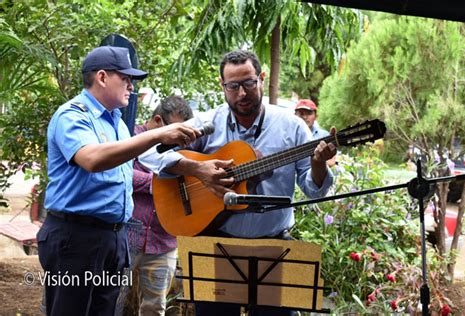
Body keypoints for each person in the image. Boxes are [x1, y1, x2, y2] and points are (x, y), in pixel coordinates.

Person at [140, 50, 336, 316]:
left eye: (248, 83)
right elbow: (148, 152)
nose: (241, 93)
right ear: (222, 85)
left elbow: (314, 190)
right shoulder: (208, 122)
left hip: (274, 246)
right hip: (214, 243)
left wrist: (318, 164)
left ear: (262, 79)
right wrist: (197, 169)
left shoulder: (293, 127)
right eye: (233, 86)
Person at [37, 45, 200, 316]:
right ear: (102, 77)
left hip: (112, 238)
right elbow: (92, 159)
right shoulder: (73, 115)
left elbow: (151, 160)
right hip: (76, 238)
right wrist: (158, 135)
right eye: (125, 78)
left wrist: (200, 169)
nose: (131, 86)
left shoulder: (117, 122)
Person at [127, 96, 194, 315]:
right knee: (110, 297)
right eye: (176, 130)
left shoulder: (181, 146)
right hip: (127, 235)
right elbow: (122, 174)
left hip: (164, 239)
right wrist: (157, 185)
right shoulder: (129, 136)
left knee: (155, 306)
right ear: (157, 120)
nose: (180, 138)